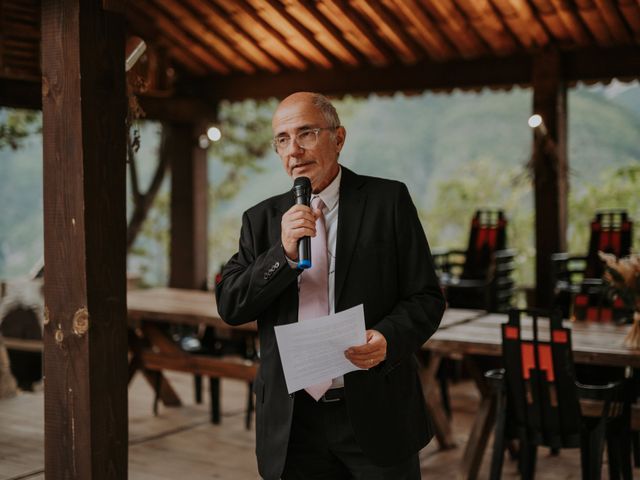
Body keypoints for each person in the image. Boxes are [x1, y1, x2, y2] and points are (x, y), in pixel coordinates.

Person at [216, 92, 445, 480]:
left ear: (338, 138)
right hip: (293, 421)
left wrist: (388, 338)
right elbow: (231, 305)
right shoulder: (261, 219)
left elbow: (426, 297)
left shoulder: (388, 201)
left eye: (306, 133)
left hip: (376, 409)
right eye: (283, 139)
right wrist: (282, 254)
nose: (295, 150)